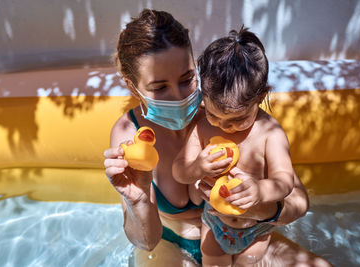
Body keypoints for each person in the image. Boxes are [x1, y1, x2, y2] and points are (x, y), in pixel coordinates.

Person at [103, 9, 331, 267]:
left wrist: (257, 208)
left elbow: (299, 202)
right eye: (159, 87)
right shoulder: (129, 134)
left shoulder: (225, 112)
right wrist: (139, 199)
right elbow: (147, 242)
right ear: (132, 86)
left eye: (187, 78)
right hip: (172, 246)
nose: (179, 96)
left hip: (245, 235)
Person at [172, 27, 295, 266]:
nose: (225, 126)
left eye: (238, 119)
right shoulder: (202, 127)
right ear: (203, 98)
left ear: (261, 97)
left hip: (256, 229)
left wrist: (260, 191)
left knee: (247, 262)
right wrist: (197, 167)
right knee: (212, 261)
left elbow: (285, 180)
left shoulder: (270, 132)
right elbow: (179, 170)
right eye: (214, 116)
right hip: (215, 221)